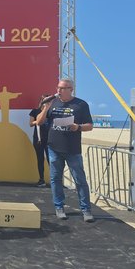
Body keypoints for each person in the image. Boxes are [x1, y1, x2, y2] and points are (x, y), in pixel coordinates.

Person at [36, 78, 94, 222]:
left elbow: (90, 125)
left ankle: (86, 209)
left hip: (72, 149)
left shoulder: (80, 104)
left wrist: (78, 127)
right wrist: (45, 108)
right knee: (55, 179)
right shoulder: (53, 103)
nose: (59, 91)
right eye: (58, 88)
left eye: (63, 88)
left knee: (80, 180)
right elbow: (39, 121)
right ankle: (59, 207)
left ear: (71, 89)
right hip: (54, 147)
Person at [29, 94, 50, 187]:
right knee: (40, 159)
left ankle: (54, 180)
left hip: (50, 140)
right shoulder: (35, 111)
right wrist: (37, 121)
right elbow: (31, 123)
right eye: (45, 100)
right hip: (38, 139)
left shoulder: (51, 112)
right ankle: (41, 179)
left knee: (52, 160)